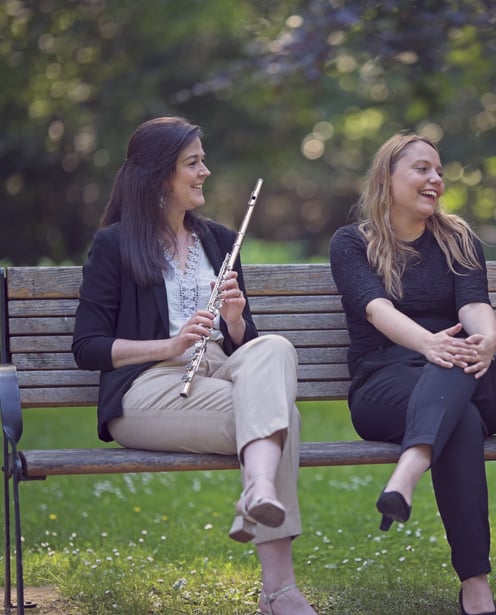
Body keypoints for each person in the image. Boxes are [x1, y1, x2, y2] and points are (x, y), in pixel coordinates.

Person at [71, 116, 316, 615]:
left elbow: (242, 344)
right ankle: (279, 591)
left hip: (218, 372)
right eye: (193, 162)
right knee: (281, 421)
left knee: (274, 347)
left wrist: (235, 319)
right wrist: (167, 344)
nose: (205, 171)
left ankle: (259, 488)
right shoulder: (115, 245)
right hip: (147, 390)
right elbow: (88, 346)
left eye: (203, 161)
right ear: (161, 175)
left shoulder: (221, 241)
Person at [329, 132, 496, 615]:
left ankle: (407, 473)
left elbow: (475, 305)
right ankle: (475, 583)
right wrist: (430, 343)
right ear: (387, 178)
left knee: (456, 362)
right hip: (386, 385)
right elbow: (375, 310)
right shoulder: (353, 243)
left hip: (475, 377)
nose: (436, 178)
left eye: (439, 170)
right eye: (422, 169)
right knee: (462, 421)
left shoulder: (458, 239)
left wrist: (488, 341)